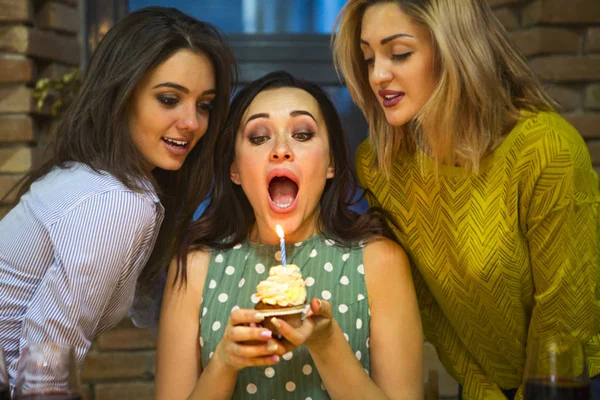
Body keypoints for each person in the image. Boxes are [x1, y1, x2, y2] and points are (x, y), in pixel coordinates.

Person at [332, 1, 600, 399]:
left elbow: (565, 323)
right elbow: (429, 308)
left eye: (400, 54)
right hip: (481, 388)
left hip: (571, 382)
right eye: (369, 58)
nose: (378, 75)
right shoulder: (380, 164)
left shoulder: (546, 149)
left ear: (455, 50)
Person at [0, 6, 236, 380]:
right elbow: (44, 359)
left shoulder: (97, 175)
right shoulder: (115, 200)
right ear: (121, 96)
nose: (192, 123)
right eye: (169, 99)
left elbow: (148, 299)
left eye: (204, 105)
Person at [155, 71, 423, 399]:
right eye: (258, 137)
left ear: (331, 163)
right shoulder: (193, 267)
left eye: (302, 134)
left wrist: (326, 345)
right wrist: (225, 362)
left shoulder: (380, 261)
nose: (281, 149)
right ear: (234, 169)